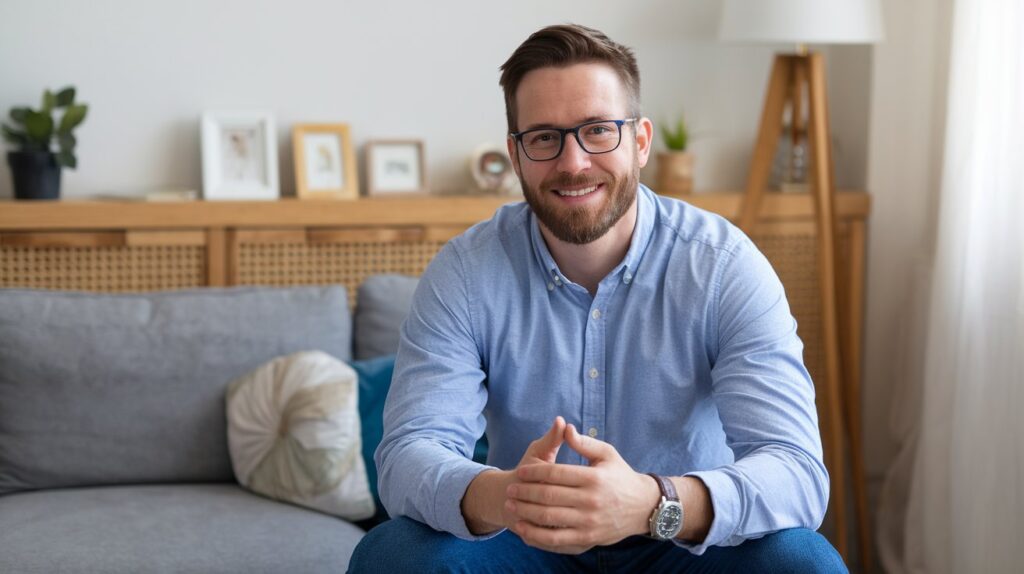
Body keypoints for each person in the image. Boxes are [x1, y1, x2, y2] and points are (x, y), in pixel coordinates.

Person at [348, 24, 846, 573]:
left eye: (597, 130)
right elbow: (406, 455)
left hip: (684, 543)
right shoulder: (465, 273)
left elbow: (797, 471)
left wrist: (653, 503)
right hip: (526, 541)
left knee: (803, 562)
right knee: (392, 555)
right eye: (544, 137)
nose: (573, 162)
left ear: (640, 141)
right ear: (516, 155)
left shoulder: (723, 266)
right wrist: (508, 496)